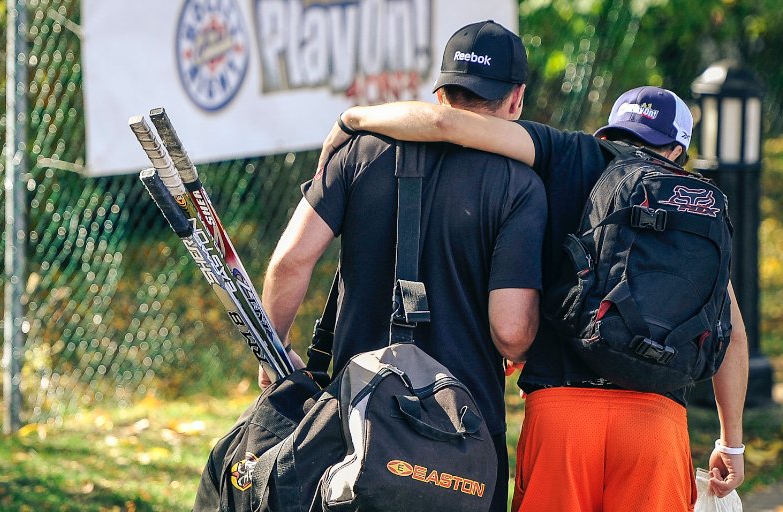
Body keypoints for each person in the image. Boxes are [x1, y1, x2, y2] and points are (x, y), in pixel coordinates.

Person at [319, 86, 750, 510]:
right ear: (678, 151)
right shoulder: (698, 210)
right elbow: (731, 333)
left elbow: (444, 123)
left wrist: (352, 119)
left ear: (608, 134)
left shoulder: (570, 155)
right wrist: (731, 444)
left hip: (562, 413)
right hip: (655, 424)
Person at [259, 20, 547, 512]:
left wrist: (274, 354)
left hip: (354, 422)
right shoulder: (520, 186)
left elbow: (290, 260)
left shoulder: (357, 152)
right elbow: (512, 332)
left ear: (439, 93)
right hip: (463, 435)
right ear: (516, 100)